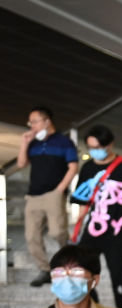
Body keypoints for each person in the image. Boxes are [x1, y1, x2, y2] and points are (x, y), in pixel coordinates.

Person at [70, 124, 122, 308]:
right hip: (94, 229)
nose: (94, 151)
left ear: (110, 145)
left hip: (119, 232)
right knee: (80, 268)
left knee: (119, 277)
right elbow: (84, 200)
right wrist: (79, 223)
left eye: (98, 147)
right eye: (91, 147)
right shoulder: (88, 168)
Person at [17, 106, 78, 287]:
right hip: (33, 195)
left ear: (47, 121)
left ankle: (68, 258)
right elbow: (21, 163)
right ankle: (45, 269)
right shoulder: (33, 142)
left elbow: (73, 167)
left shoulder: (64, 142)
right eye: (30, 123)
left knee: (57, 231)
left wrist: (60, 189)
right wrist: (24, 143)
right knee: (31, 236)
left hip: (54, 194)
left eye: (34, 122)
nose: (32, 126)